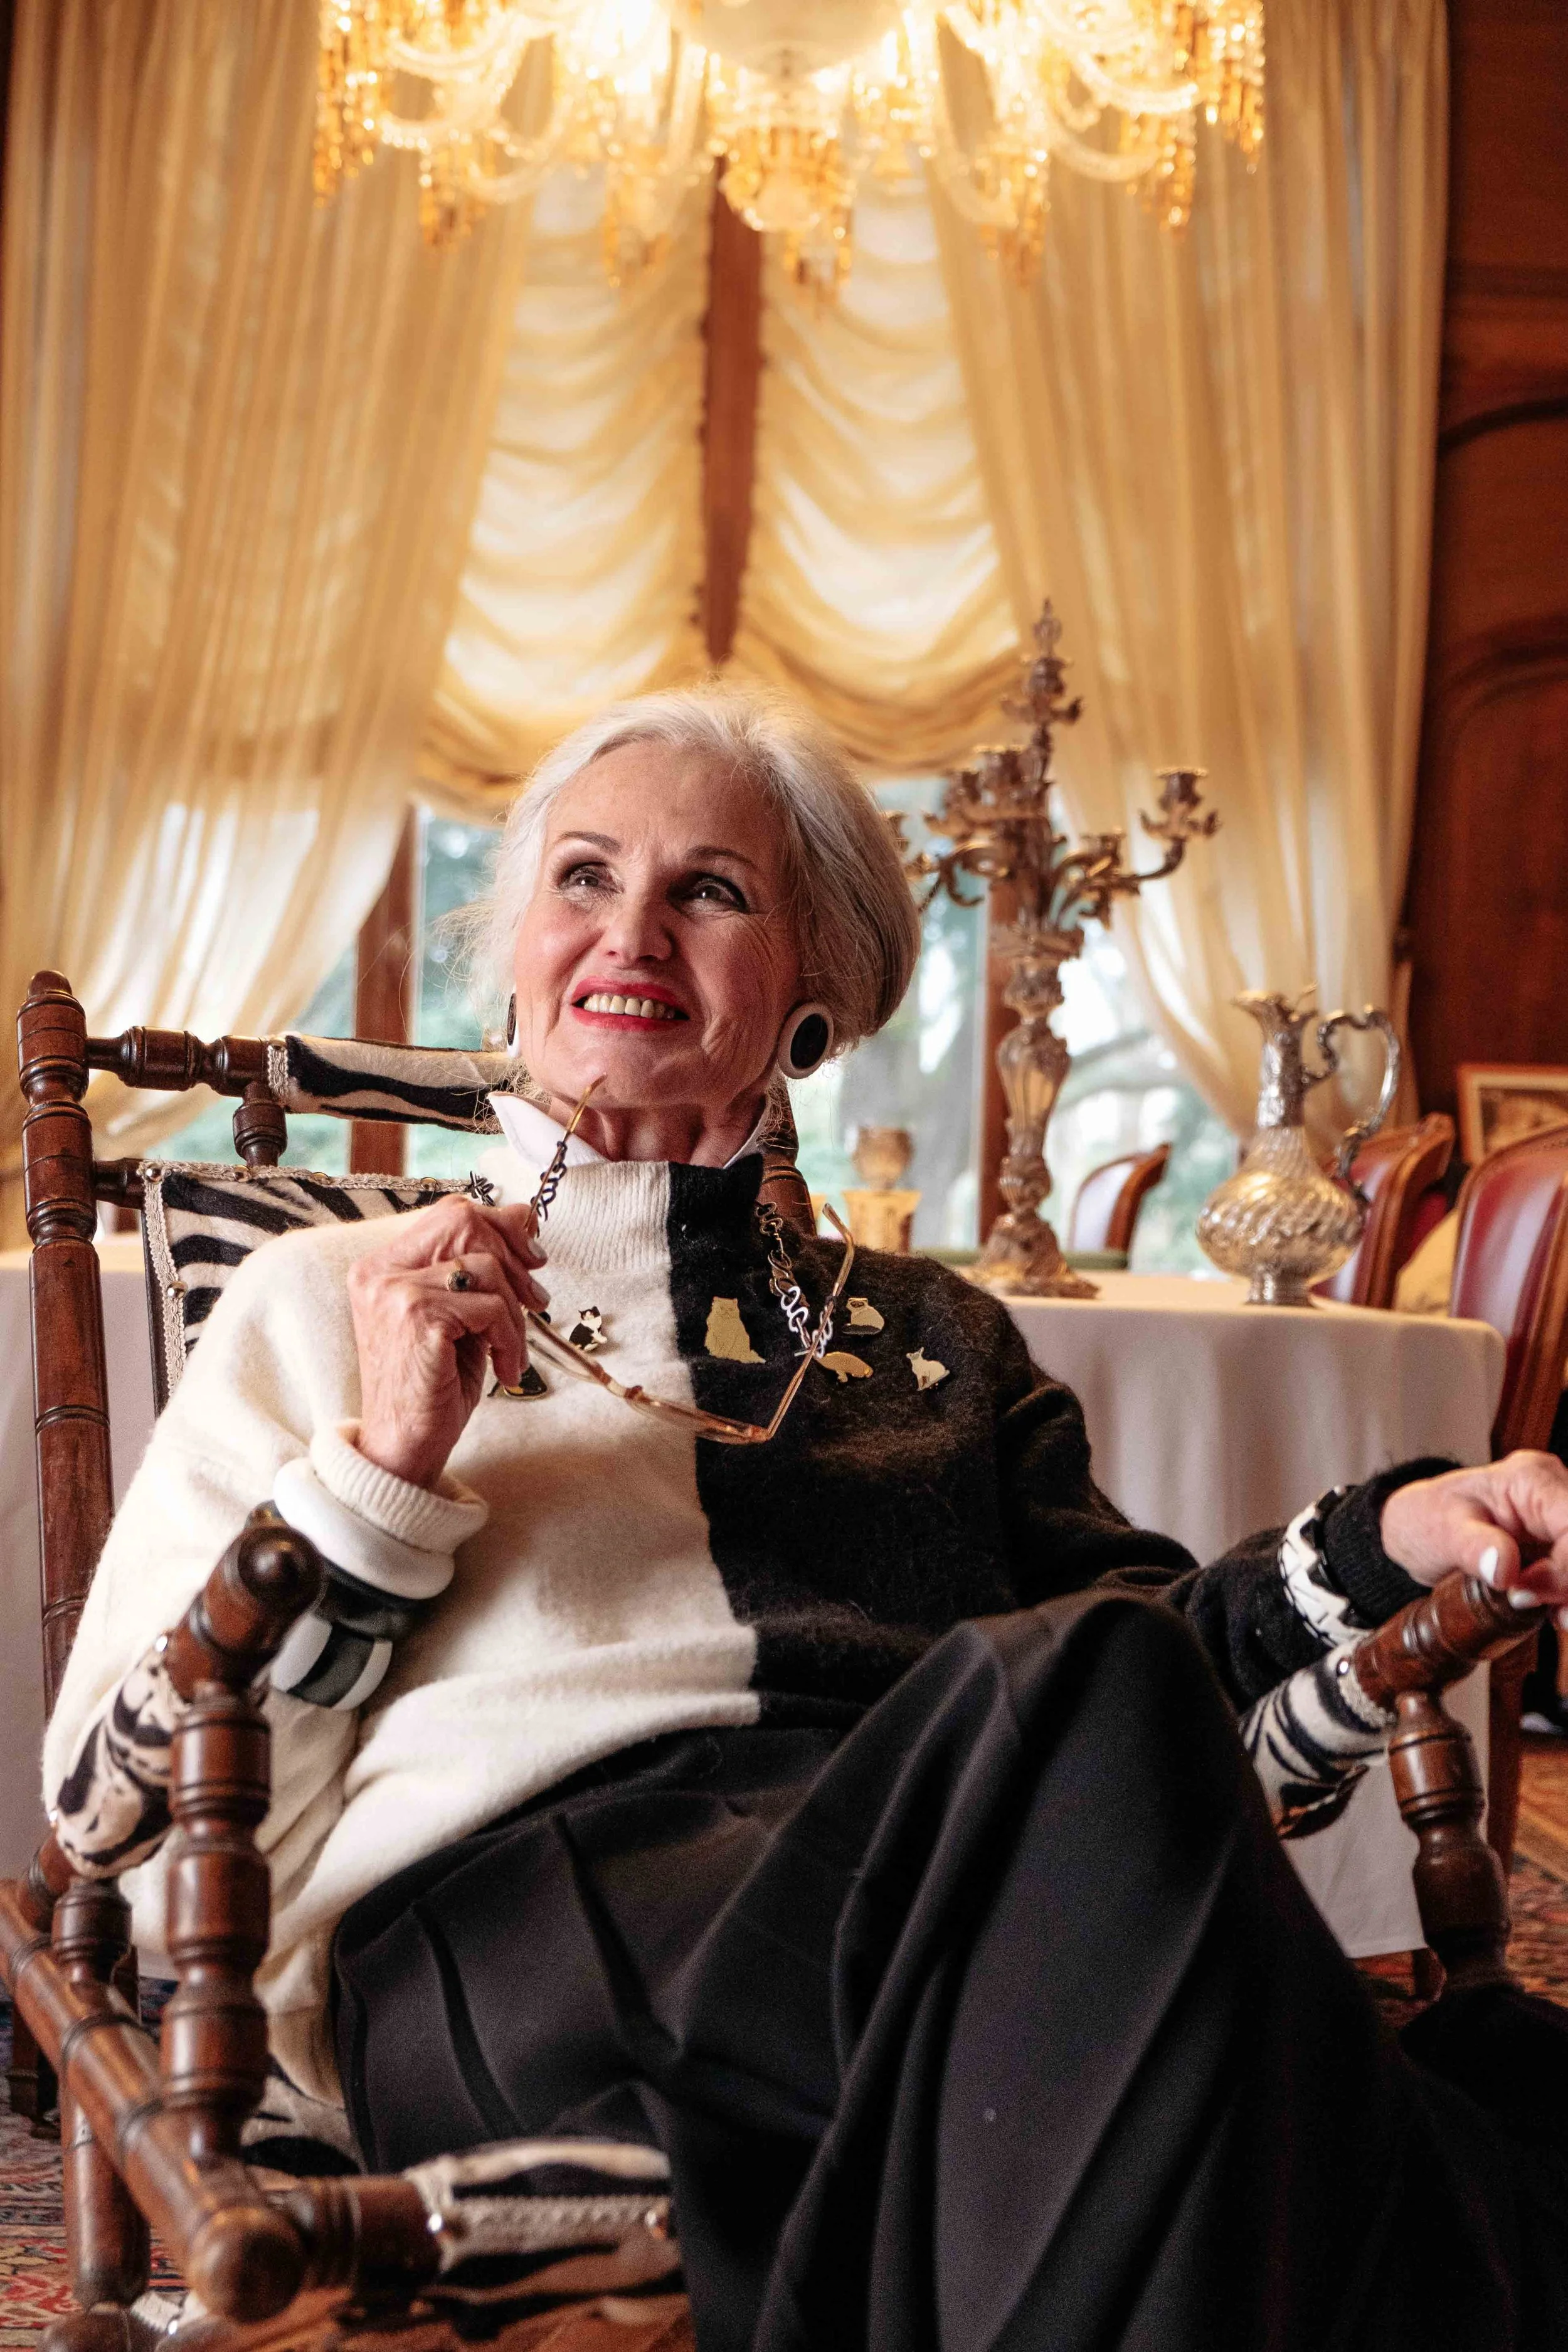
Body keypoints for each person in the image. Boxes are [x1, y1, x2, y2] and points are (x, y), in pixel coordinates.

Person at [44, 686, 1568, 2351]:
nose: (631, 930)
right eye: (581, 876)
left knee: (1137, 1731)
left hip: (917, 1912)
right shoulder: (329, 1298)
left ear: (817, 996)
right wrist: (381, 1473)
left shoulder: (934, 1335)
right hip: (527, 1931)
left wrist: (1397, 1537)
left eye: (709, 889)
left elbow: (1160, 1714)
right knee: (1398, 2104)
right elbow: (114, 1805)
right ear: (515, 952)